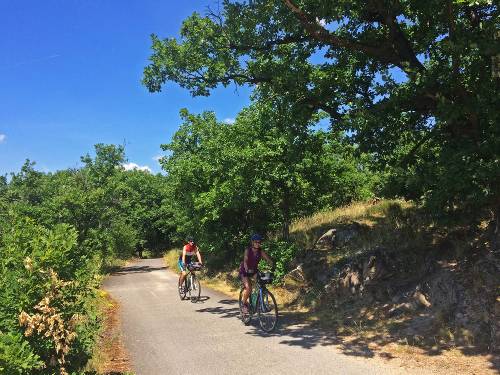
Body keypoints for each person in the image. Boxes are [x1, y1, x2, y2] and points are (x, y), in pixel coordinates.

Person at [239, 233, 274, 313]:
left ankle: (260, 303)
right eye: (256, 242)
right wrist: (246, 268)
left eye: (259, 242)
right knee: (248, 287)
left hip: (254, 270)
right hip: (245, 270)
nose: (258, 244)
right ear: (252, 242)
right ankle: (243, 303)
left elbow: (268, 259)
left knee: (262, 284)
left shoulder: (260, 251)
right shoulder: (248, 250)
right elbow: (245, 260)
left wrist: (272, 265)